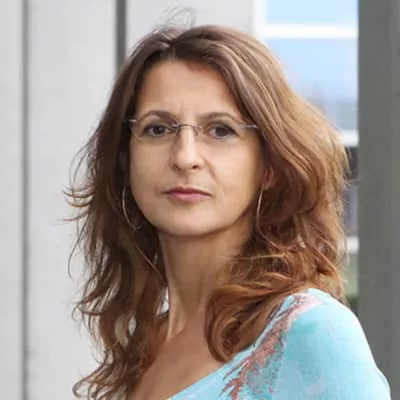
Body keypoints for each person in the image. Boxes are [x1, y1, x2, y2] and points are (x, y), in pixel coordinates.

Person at [68, 25, 391, 400]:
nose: (185, 157)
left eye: (220, 130)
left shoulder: (312, 335)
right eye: (157, 129)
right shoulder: (144, 345)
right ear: (125, 160)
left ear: (269, 166)